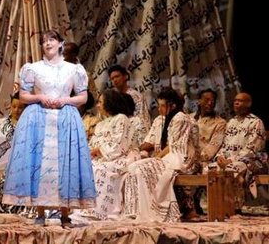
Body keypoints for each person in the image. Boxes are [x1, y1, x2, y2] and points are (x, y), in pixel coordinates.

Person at [2, 31, 97, 228]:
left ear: (61, 43)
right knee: (38, 162)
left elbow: (83, 97)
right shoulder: (32, 68)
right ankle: (40, 213)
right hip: (38, 117)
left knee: (66, 162)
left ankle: (65, 214)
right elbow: (23, 96)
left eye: (51, 40)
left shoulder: (74, 69)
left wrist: (65, 100)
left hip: (65, 118)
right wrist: (40, 98)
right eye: (44, 41)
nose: (47, 43)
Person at [124, 87, 199, 222]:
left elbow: (173, 146)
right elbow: (149, 141)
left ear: (173, 105)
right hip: (166, 158)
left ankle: (156, 211)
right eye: (159, 105)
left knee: (142, 168)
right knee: (133, 167)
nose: (159, 109)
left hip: (180, 159)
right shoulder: (160, 119)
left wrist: (156, 159)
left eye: (163, 106)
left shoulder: (180, 118)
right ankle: (138, 210)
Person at [83, 89, 140, 220]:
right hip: (102, 156)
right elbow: (92, 144)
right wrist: (92, 152)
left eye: (100, 102)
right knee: (84, 167)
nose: (98, 105)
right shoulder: (100, 124)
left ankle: (102, 211)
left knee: (98, 169)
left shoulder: (122, 119)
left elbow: (119, 145)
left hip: (121, 156)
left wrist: (98, 149)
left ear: (109, 103)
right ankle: (85, 209)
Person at [210, 92, 266, 209]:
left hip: (253, 160)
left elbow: (252, 148)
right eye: (235, 100)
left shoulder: (255, 122)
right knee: (211, 169)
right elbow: (224, 144)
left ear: (248, 104)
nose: (236, 103)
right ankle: (217, 205)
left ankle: (235, 206)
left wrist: (230, 160)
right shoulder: (231, 122)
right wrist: (220, 156)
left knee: (233, 169)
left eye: (240, 101)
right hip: (230, 159)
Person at [108, 65, 151, 131]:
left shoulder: (136, 96)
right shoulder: (111, 98)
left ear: (125, 76)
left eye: (117, 76)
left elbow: (143, 119)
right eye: (112, 79)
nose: (115, 80)